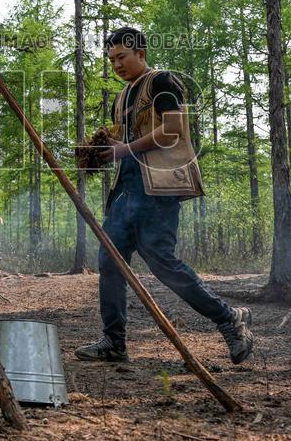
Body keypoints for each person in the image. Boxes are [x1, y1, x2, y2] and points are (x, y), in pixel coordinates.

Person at [74, 27, 254, 365]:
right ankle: (114, 342)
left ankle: (229, 318)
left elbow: (173, 129)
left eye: (122, 57)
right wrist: (100, 149)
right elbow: (123, 139)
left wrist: (124, 148)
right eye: (111, 59)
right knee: (109, 262)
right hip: (126, 190)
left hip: (159, 189)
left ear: (141, 53)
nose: (116, 64)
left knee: (163, 263)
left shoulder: (163, 82)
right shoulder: (122, 96)